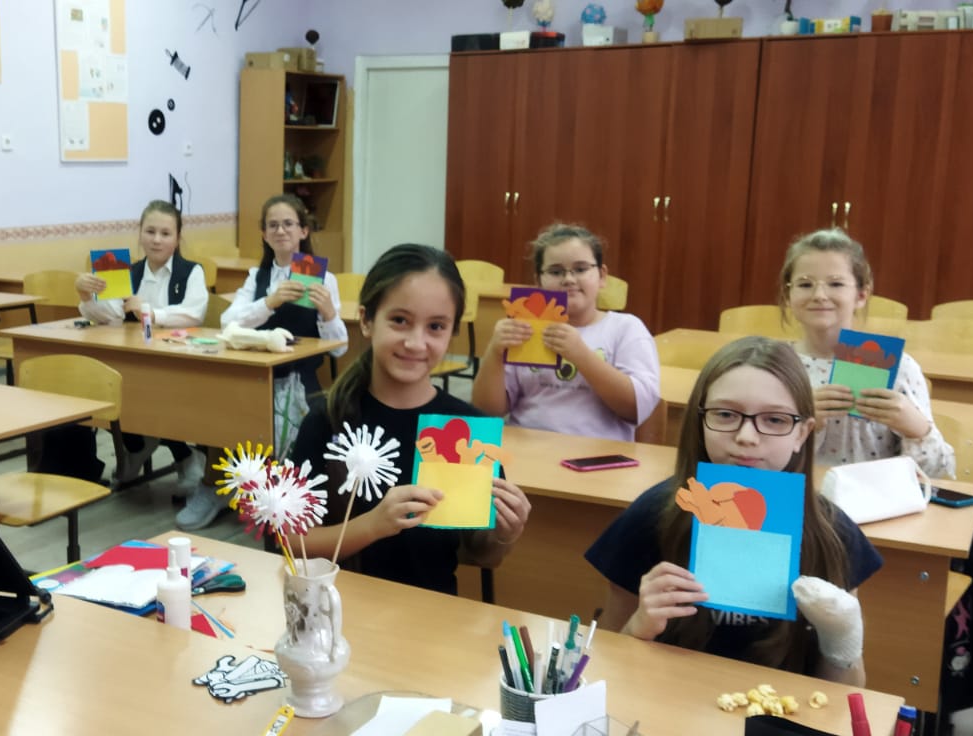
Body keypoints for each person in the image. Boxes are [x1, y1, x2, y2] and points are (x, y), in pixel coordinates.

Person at [586, 336, 880, 685]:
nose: (746, 436)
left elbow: (846, 698)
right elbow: (603, 667)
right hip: (670, 702)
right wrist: (638, 627)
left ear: (802, 434)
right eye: (725, 415)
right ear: (700, 421)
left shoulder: (832, 533)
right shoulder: (652, 517)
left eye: (774, 420)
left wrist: (842, 640)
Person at [289, 244, 532, 595]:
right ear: (367, 320)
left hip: (429, 611)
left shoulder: (465, 430)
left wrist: (505, 534)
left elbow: (482, 556)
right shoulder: (328, 420)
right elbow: (291, 542)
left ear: (452, 333)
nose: (416, 343)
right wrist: (373, 525)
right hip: (336, 610)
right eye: (400, 321)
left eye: (436, 326)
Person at [73, 200, 212, 526]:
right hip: (136, 360)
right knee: (118, 386)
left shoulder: (191, 272)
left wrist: (148, 311)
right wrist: (86, 296)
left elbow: (194, 314)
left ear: (177, 238)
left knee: (163, 393)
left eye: (166, 233)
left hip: (179, 362)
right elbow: (109, 315)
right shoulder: (127, 272)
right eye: (150, 231)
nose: (157, 239)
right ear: (139, 234)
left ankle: (184, 456)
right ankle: (137, 445)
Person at [779, 229, 955, 478]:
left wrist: (916, 428)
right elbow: (753, 464)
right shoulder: (774, 366)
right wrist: (798, 424)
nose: (819, 295)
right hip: (795, 497)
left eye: (836, 284)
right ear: (788, 295)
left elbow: (936, 474)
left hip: (875, 498)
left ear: (861, 295)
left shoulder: (897, 367)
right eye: (805, 284)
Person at [471, 223, 659, 441]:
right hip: (527, 449)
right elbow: (486, 412)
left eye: (580, 269)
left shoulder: (626, 328)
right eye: (555, 271)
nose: (568, 279)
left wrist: (580, 354)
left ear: (602, 276)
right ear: (538, 281)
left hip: (599, 454)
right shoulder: (525, 329)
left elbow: (636, 409)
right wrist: (495, 352)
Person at [220, 194, 349, 452]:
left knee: (300, 447)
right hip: (256, 376)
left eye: (288, 224)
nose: (280, 231)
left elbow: (340, 348)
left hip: (300, 378)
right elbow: (227, 323)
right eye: (273, 225)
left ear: (303, 231)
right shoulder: (257, 277)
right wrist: (269, 302)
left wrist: (328, 314)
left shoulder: (325, 278)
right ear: (264, 235)